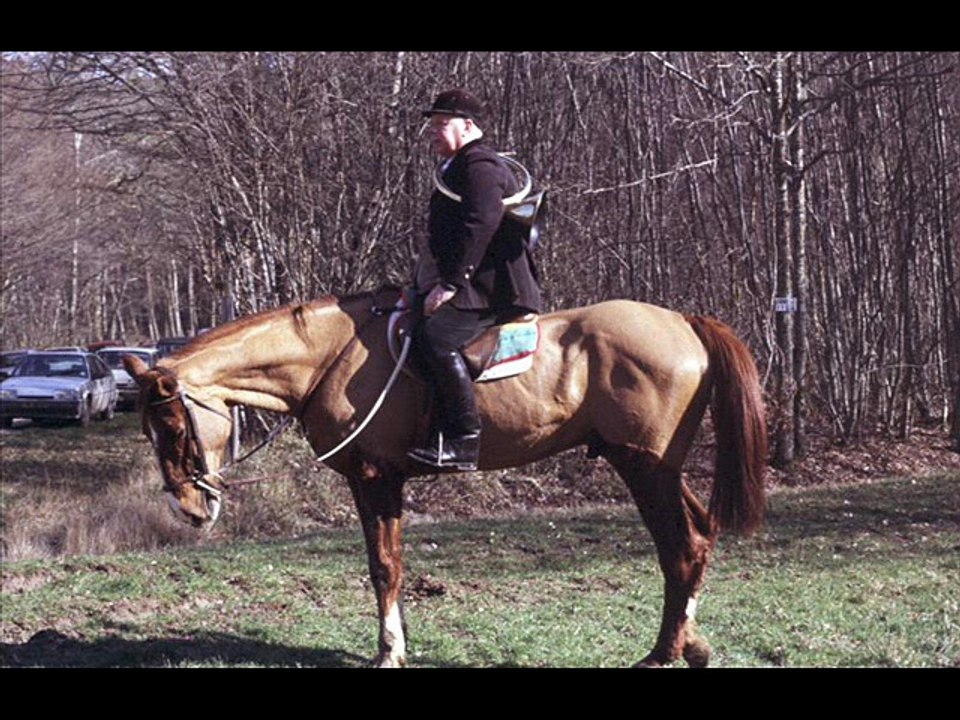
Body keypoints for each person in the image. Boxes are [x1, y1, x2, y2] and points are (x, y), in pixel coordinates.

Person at [407, 89, 541, 471]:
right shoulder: (461, 164)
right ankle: (430, 431)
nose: (433, 132)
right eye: (431, 125)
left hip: (493, 289)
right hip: (475, 286)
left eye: (441, 124)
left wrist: (450, 283)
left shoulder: (481, 166)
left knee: (436, 340)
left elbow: (480, 225)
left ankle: (465, 440)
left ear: (467, 126)